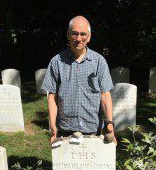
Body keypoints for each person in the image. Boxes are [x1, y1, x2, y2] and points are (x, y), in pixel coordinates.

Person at [41, 15, 116, 144]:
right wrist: (53, 125)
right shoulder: (56, 62)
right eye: (75, 34)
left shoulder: (99, 62)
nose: (79, 39)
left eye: (83, 34)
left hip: (92, 128)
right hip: (65, 129)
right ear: (68, 35)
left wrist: (110, 123)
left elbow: (105, 95)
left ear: (89, 37)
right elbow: (52, 96)